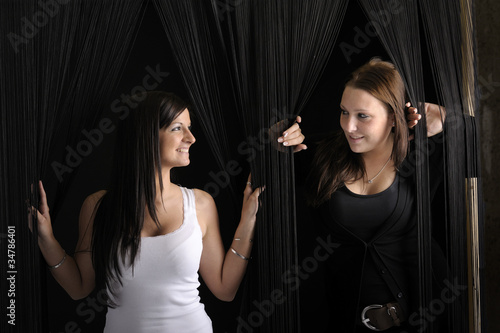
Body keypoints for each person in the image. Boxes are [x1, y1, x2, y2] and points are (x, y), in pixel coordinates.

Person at [30, 91, 305, 333]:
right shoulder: (98, 207)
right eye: (177, 128)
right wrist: (46, 239)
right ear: (147, 135)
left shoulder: (200, 203)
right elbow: (79, 286)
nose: (191, 138)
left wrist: (247, 222)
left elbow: (224, 289)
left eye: (189, 127)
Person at [297, 58, 447, 332]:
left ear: (393, 117)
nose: (348, 126)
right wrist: (277, 141)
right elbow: (255, 173)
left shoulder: (422, 158)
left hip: (421, 319)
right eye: (344, 112)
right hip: (342, 320)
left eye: (362, 116)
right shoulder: (322, 155)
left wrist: (446, 116)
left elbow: (481, 139)